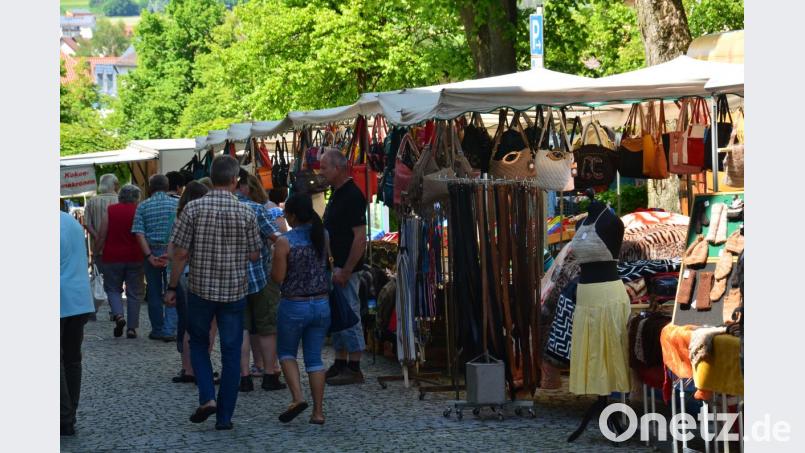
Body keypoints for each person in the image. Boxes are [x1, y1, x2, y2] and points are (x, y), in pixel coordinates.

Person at [164, 155, 263, 431]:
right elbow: (255, 254)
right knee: (231, 352)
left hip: (201, 289)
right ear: (234, 180)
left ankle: (207, 397)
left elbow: (179, 253)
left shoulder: (192, 209)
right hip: (234, 291)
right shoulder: (246, 212)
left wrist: (172, 287)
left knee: (198, 342)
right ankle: (225, 417)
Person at [271, 193, 331, 424]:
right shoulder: (323, 235)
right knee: (315, 359)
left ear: (293, 216)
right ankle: (318, 412)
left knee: (287, 353)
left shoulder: (285, 241)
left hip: (294, 304)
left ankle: (297, 398)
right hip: (321, 303)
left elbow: (278, 277)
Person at [318, 150, 367, 385]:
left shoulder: (353, 195)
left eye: (324, 167)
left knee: (350, 314)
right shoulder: (336, 193)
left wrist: (347, 269)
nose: (321, 172)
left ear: (337, 168)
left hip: (347, 269)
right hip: (335, 266)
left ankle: (354, 366)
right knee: (338, 313)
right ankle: (340, 361)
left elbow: (360, 238)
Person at [234, 174, 285, 392]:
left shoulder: (221, 209)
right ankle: (269, 374)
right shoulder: (257, 209)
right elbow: (277, 237)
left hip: (231, 280)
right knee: (267, 328)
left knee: (241, 329)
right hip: (260, 278)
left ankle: (244, 377)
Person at [166, 181, 213, 384]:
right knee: (209, 325)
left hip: (183, 273)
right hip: (203, 273)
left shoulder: (179, 217)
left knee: (188, 324)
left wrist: (172, 284)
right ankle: (202, 368)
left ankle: (188, 368)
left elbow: (172, 252)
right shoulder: (208, 218)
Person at [61, 211, 96, 436]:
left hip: (60, 299)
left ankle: (64, 417)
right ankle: (69, 416)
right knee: (73, 359)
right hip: (78, 298)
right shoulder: (70, 221)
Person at [132, 174, 179, 342]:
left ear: (150, 188)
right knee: (173, 289)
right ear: (167, 187)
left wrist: (149, 256)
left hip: (151, 250)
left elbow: (139, 233)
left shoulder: (143, 206)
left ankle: (158, 329)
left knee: (153, 292)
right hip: (172, 251)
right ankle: (170, 329)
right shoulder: (177, 204)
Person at [95, 184, 145, 339]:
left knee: (112, 289)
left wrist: (96, 252)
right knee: (134, 292)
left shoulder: (111, 210)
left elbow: (102, 234)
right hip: (136, 256)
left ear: (120, 196)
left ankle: (118, 315)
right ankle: (132, 328)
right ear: (137, 198)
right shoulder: (140, 211)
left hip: (112, 256)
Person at [83, 173, 119, 320]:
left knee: (97, 278)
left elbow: (86, 223)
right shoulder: (120, 200)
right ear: (115, 185)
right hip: (117, 247)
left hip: (98, 248)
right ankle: (115, 311)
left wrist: (98, 236)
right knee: (115, 281)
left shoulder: (92, 201)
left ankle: (92, 310)